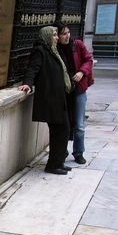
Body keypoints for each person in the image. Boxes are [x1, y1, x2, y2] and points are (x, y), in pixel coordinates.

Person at [18, 26, 74, 175]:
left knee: (64, 130)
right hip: (51, 99)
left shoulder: (53, 51)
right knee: (60, 131)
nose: (57, 38)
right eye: (54, 35)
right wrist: (28, 83)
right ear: (47, 36)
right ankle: (54, 165)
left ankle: (58, 162)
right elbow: (32, 69)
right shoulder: (40, 51)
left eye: (57, 35)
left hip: (59, 98)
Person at [54, 20, 94, 165]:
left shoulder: (77, 45)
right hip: (63, 91)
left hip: (78, 89)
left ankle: (78, 152)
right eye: (63, 33)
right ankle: (62, 152)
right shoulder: (55, 49)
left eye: (68, 32)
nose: (67, 36)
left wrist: (82, 72)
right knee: (64, 124)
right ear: (57, 35)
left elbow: (89, 60)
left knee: (79, 124)